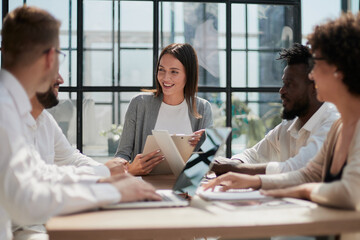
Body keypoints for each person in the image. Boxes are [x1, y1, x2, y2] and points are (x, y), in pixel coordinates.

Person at [0, 6, 160, 240]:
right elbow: (24, 200)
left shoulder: (14, 107)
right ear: (49, 58)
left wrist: (103, 177)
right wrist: (110, 190)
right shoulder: (5, 110)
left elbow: (41, 173)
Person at [203, 12, 360, 212]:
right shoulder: (342, 126)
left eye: (318, 64)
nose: (312, 74)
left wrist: (301, 191)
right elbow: (308, 174)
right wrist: (256, 182)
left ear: (338, 70)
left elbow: (350, 193)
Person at [12, 74, 129, 239]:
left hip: (43, 222)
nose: (61, 80)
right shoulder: (8, 123)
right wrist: (104, 174)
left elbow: (71, 158)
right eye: (52, 71)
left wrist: (108, 173)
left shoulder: (45, 119)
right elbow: (33, 187)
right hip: (17, 228)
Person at [211, 43, 339, 176]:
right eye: (283, 83)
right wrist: (232, 163)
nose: (282, 91)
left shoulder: (332, 123)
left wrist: (236, 169)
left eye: (289, 84)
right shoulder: (288, 127)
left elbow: (301, 169)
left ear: (314, 87)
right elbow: (253, 155)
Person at [115, 43, 213, 175]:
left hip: (184, 190)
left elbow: (209, 163)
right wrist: (131, 169)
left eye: (174, 72)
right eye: (161, 70)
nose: (165, 78)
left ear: (188, 75)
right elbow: (121, 155)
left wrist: (201, 150)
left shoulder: (203, 108)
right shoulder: (139, 104)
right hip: (145, 188)